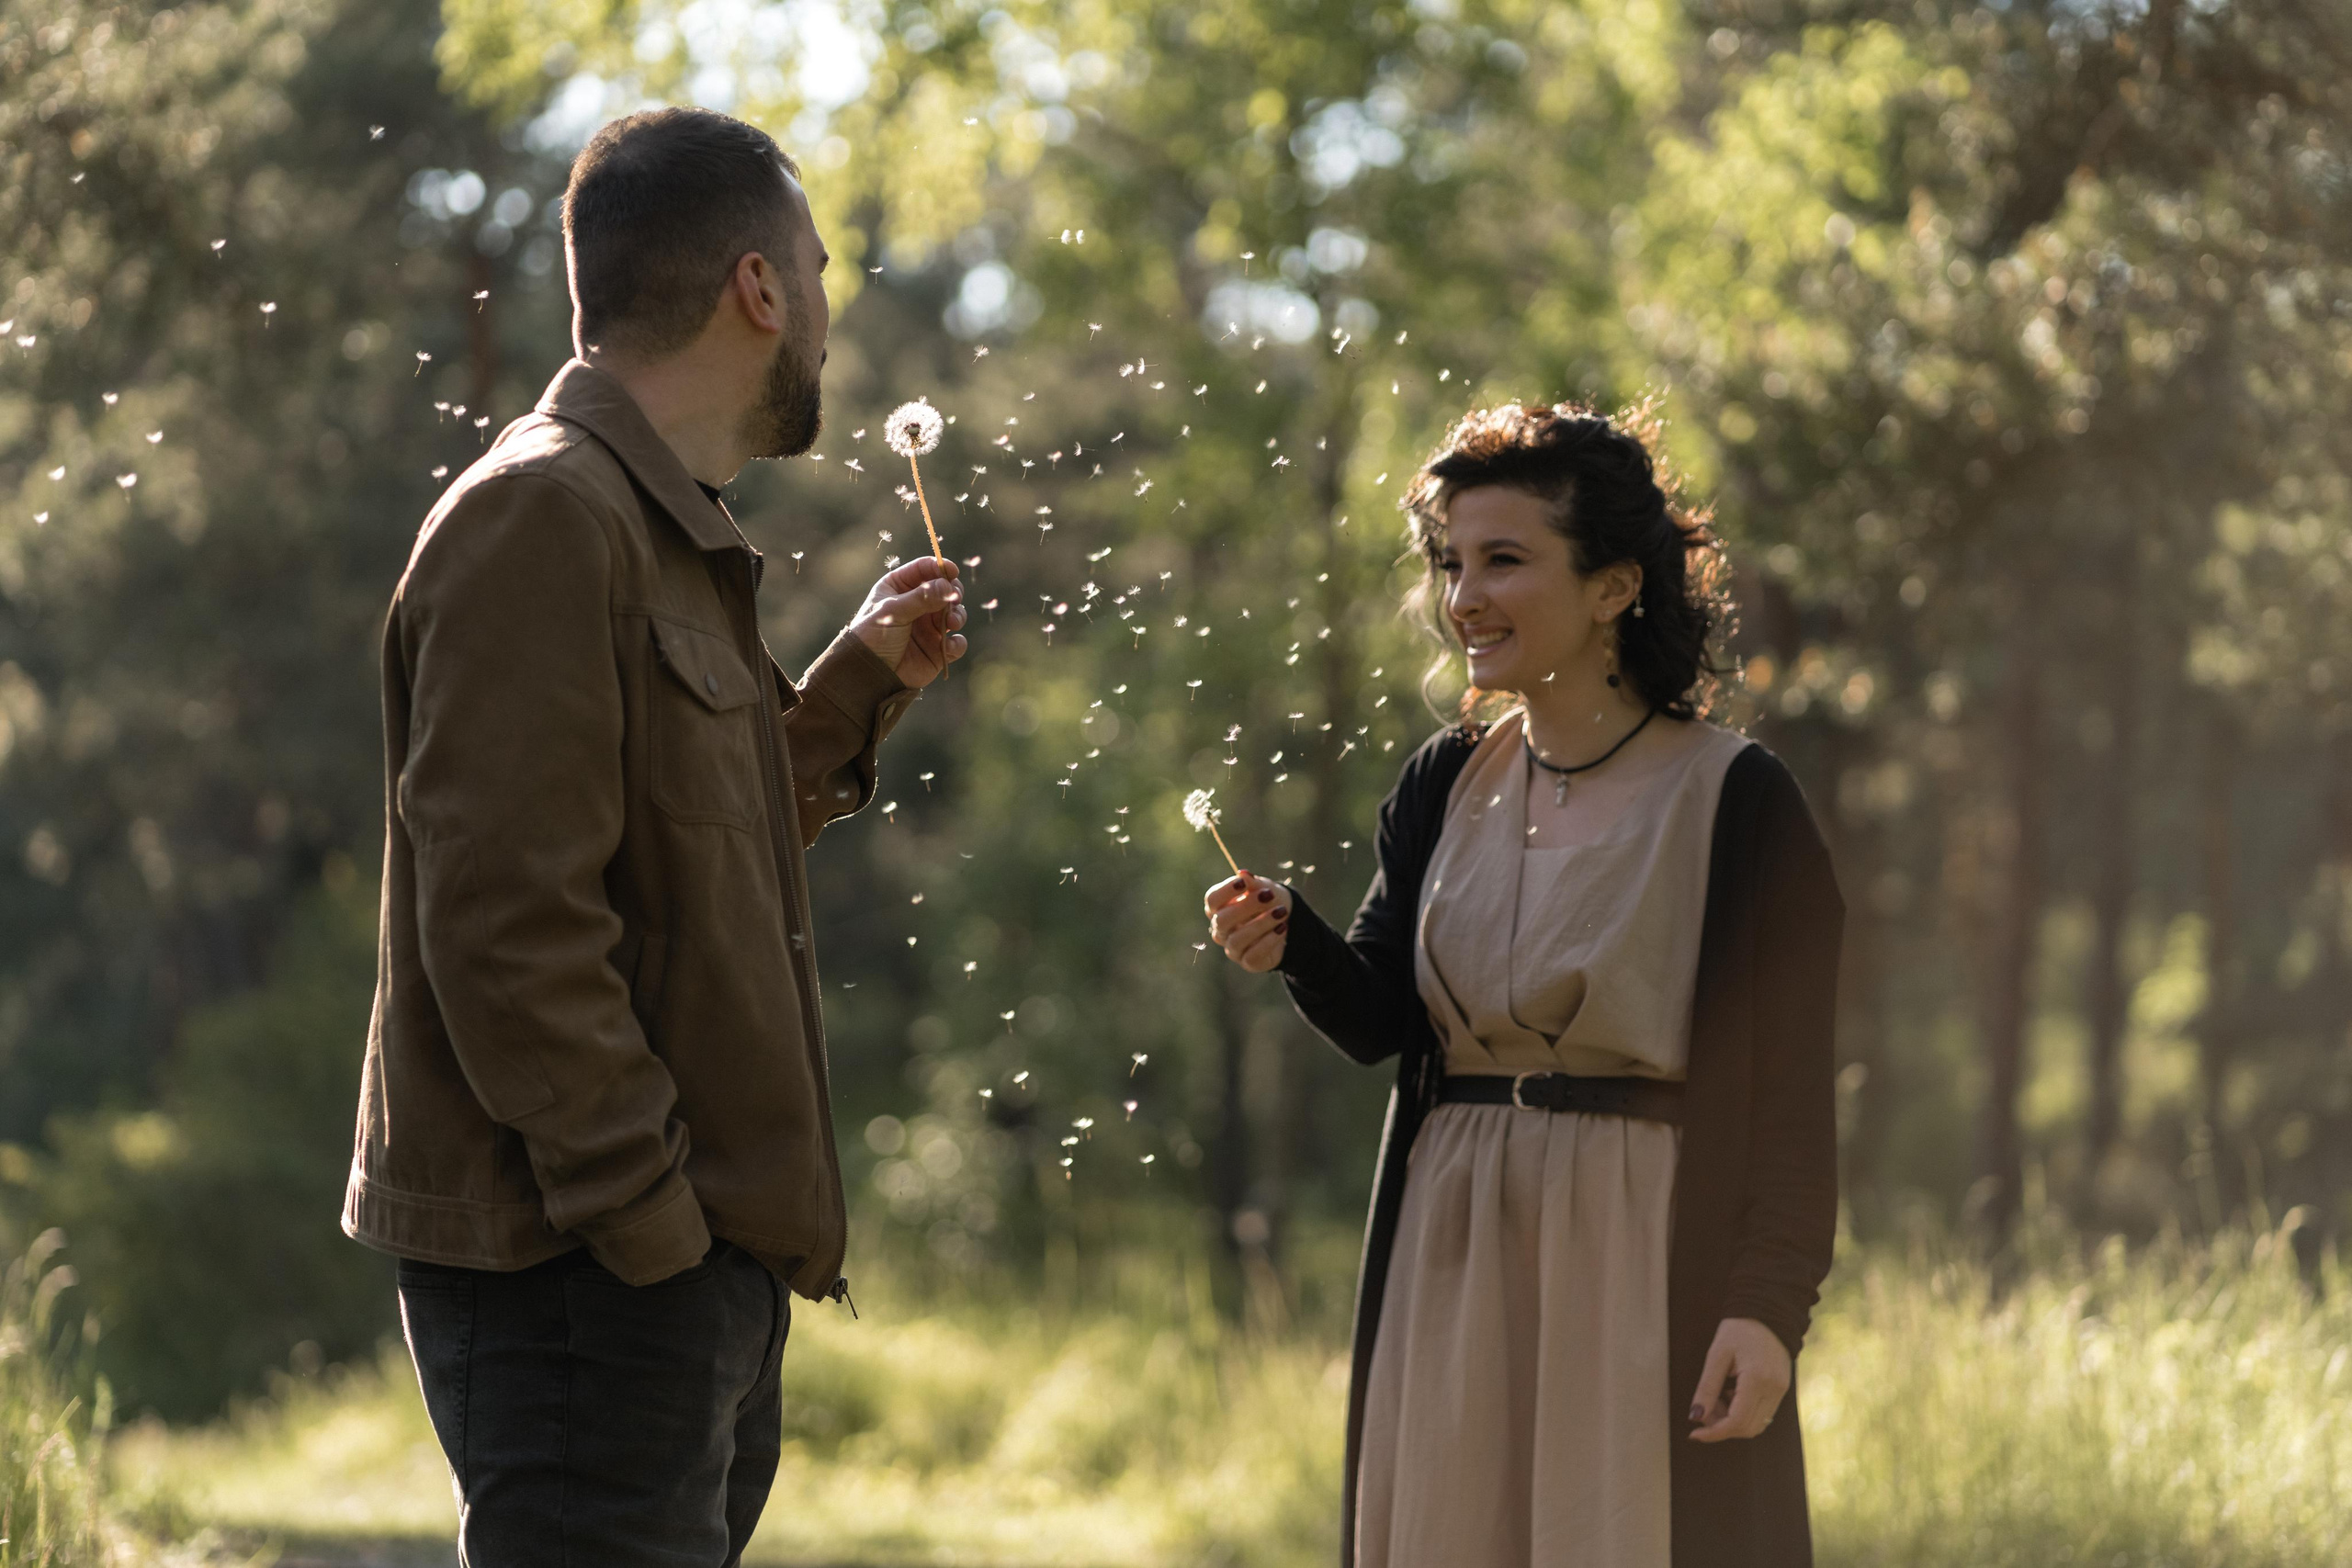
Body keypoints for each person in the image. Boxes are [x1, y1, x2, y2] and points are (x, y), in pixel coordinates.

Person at [341, 107, 967, 1564]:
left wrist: (855, 688)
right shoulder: (544, 517)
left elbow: (691, 854)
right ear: (757, 288)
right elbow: (506, 920)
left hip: (678, 1272)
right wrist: (649, 1224)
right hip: (591, 1269)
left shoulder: (658, 528)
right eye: (815, 270)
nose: (824, 309)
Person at [1204, 401, 1842, 1568]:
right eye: (1452, 562)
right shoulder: (1445, 781)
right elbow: (1384, 1022)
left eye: (1504, 560)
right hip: (1452, 1240)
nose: (1464, 597)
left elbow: (1793, 1101)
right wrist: (1293, 939)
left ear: (1613, 586)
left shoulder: (1740, 802)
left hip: (1640, 1246)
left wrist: (1765, 1304)